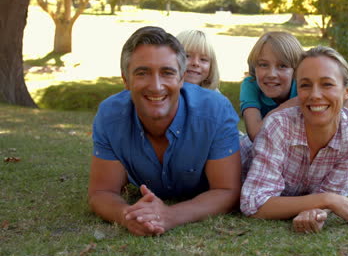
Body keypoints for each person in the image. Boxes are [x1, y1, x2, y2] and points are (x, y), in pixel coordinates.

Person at [87, 26, 241, 236]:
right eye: (143, 73)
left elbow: (227, 191)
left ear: (181, 78)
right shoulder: (109, 116)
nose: (156, 86)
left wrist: (171, 215)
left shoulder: (215, 111)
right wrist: (128, 215)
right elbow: (101, 192)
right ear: (125, 80)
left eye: (167, 73)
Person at [240, 46, 348, 234]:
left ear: (347, 91)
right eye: (305, 85)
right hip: (235, 161)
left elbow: (332, 191)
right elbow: (253, 204)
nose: (315, 95)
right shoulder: (278, 125)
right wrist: (328, 201)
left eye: (327, 84)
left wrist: (315, 212)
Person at [239, 31, 348, 156]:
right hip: (282, 142)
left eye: (282, 66)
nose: (271, 74)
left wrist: (304, 99)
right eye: (263, 65)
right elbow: (255, 134)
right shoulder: (251, 85)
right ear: (254, 66)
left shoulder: (305, 85)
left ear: (297, 70)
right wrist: (291, 105)